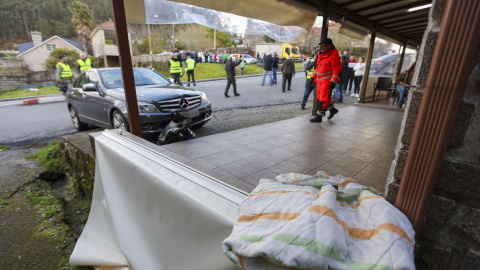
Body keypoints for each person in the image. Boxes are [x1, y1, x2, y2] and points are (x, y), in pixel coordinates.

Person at [310, 38, 341, 122]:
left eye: (324, 45)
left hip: (327, 82)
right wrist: (312, 77)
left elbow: (336, 70)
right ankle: (332, 110)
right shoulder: (321, 55)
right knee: (323, 98)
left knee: (322, 99)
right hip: (320, 82)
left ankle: (319, 116)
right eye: (321, 46)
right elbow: (318, 69)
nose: (322, 47)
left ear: (329, 45)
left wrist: (333, 82)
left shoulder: (334, 55)